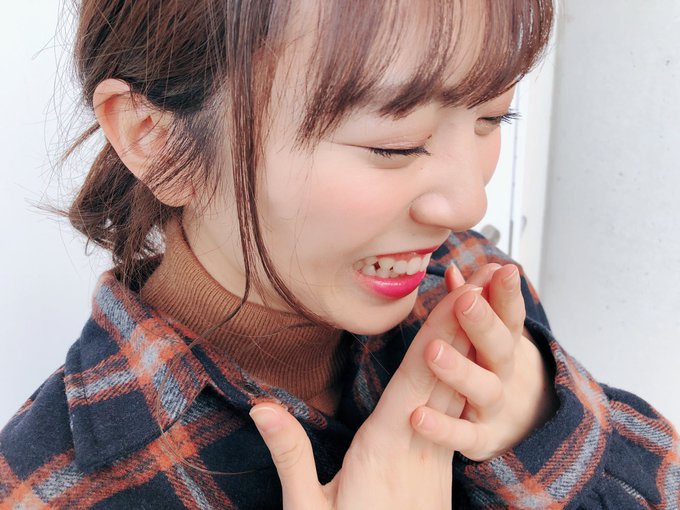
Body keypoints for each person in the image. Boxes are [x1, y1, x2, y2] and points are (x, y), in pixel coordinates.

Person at [1, 1, 677, 508]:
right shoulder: (54, 487)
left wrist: (538, 424)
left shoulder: (471, 290)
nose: (468, 202)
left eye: (491, 119)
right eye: (395, 144)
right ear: (155, 137)